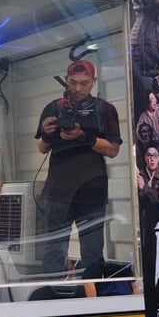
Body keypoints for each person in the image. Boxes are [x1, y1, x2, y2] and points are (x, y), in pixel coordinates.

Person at [35, 59, 122, 280]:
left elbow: (113, 150)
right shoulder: (54, 108)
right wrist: (47, 134)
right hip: (58, 192)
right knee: (53, 252)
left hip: (91, 192)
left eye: (84, 83)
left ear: (93, 81)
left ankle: (92, 296)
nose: (77, 88)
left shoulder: (104, 110)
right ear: (66, 80)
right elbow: (42, 148)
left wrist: (83, 136)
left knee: (92, 253)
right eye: (73, 82)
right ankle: (53, 295)